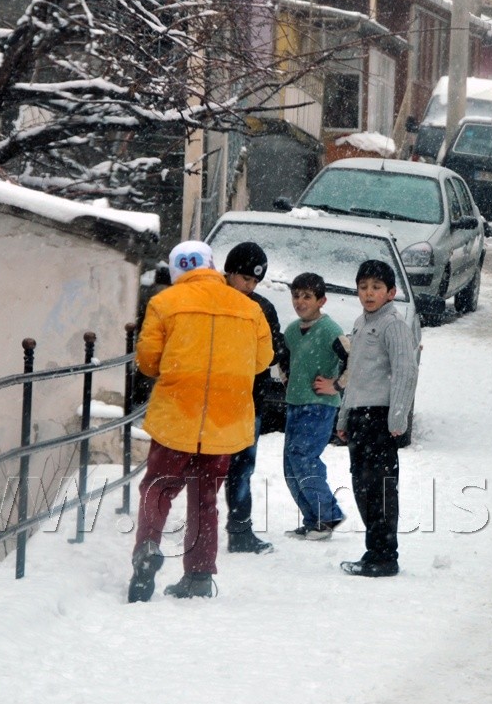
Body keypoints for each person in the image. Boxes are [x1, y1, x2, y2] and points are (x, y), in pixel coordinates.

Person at [128, 240, 273, 602]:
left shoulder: (164, 303)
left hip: (177, 414)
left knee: (158, 488)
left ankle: (147, 549)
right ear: (212, 266)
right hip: (224, 419)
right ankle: (199, 574)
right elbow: (261, 361)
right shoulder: (249, 308)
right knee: (205, 497)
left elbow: (147, 361)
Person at [335, 260, 419, 578]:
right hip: (358, 415)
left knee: (380, 488)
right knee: (362, 485)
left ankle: (384, 555)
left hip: (380, 417)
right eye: (363, 287)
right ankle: (374, 550)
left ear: (391, 292)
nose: (369, 294)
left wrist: (397, 415)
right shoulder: (360, 323)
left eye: (376, 288)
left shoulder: (392, 325)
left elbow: (405, 370)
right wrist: (344, 417)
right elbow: (354, 375)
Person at [221, 242, 288, 556]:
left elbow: (273, 352)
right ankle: (198, 525)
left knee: (242, 467)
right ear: (229, 273)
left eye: (254, 282)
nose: (249, 286)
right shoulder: (214, 302)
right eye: (244, 279)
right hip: (216, 399)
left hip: (249, 402)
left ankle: (240, 529)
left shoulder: (262, 307)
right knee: (206, 466)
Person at [282, 272, 350, 541]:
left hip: (319, 406)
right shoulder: (291, 331)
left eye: (307, 296)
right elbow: (284, 356)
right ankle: (313, 520)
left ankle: (328, 515)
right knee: (290, 465)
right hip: (295, 403)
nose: (300, 302)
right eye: (296, 296)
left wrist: (336, 385)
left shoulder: (330, 330)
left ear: (322, 300)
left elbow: (352, 358)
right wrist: (287, 376)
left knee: (304, 458)